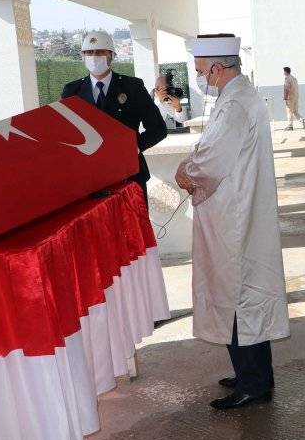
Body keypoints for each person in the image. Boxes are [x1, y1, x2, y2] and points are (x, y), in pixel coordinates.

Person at [175, 33, 290, 410]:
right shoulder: (240, 96)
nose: (199, 78)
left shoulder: (234, 105)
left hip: (234, 218)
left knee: (236, 296)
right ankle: (252, 374)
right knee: (245, 296)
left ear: (216, 67)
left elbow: (210, 163)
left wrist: (186, 171)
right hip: (239, 211)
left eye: (200, 71)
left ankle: (254, 383)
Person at [62, 31, 166, 204]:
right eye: (89, 53)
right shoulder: (72, 91)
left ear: (112, 55)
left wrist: (132, 147)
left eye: (101, 52)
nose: (94, 57)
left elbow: (158, 129)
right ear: (83, 56)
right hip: (89, 181)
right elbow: (66, 135)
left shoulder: (133, 87)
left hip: (129, 175)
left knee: (134, 229)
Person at [282, 67, 305, 131]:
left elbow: (287, 89)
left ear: (286, 72)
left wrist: (285, 97)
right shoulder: (294, 78)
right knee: (295, 111)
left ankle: (290, 126)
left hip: (290, 98)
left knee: (289, 111)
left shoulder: (287, 79)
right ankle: (303, 121)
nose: (283, 72)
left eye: (284, 71)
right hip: (296, 97)